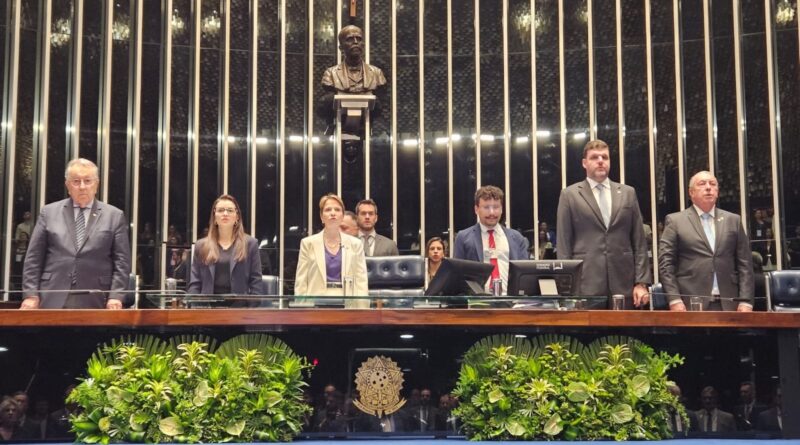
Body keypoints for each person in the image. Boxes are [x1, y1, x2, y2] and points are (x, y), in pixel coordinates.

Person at [21, 158, 131, 309]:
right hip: (53, 294)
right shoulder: (49, 212)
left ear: (96, 185)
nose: (82, 187)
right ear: (67, 185)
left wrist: (116, 296)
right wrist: (31, 295)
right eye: (76, 181)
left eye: (87, 181)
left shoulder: (114, 215)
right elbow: (33, 258)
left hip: (97, 298)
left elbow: (122, 262)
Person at [556, 140, 651, 308]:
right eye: (594, 157)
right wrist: (567, 288)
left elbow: (639, 241)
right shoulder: (569, 195)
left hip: (625, 283)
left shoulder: (628, 193)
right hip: (585, 284)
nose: (600, 161)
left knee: (624, 334)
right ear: (584, 163)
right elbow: (564, 243)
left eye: (605, 157)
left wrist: (641, 282)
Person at [658, 171, 754, 311]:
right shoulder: (675, 221)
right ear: (691, 192)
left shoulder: (733, 220)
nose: (708, 187)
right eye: (702, 184)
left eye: (712, 184)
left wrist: (746, 301)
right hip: (689, 302)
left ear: (717, 191)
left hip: (729, 303)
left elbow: (745, 264)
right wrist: (674, 299)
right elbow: (666, 264)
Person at [187, 195, 265, 301]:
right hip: (207, 309)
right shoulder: (201, 246)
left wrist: (249, 311)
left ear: (237, 217)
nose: (225, 213)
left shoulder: (251, 244)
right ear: (214, 217)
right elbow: (195, 284)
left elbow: (256, 283)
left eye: (230, 210)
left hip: (239, 311)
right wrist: (195, 309)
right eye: (220, 210)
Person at [294, 194, 368, 305]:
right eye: (328, 210)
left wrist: (363, 311)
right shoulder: (308, 243)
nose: (333, 213)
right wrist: (301, 310)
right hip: (315, 304)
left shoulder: (355, 244)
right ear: (321, 217)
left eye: (337, 210)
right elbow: (301, 282)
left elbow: (361, 281)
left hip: (348, 304)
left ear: (342, 216)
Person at [453, 186, 529, 293]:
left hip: (510, 302)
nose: (492, 213)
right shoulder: (463, 237)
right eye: (486, 207)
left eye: (496, 207)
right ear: (476, 209)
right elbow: (457, 276)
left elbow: (525, 276)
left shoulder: (517, 238)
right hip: (477, 303)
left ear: (502, 209)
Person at [321, 26, 386, 95]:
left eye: (359, 39)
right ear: (341, 48)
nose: (355, 42)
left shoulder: (377, 73)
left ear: (363, 45)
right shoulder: (330, 74)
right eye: (350, 39)